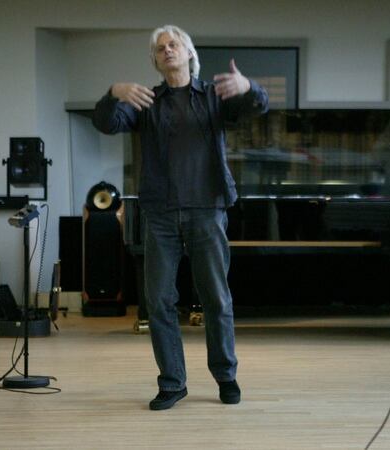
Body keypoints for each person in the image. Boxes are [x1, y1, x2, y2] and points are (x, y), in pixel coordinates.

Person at [92, 24, 268, 410]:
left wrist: (250, 87)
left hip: (207, 210)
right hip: (160, 214)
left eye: (174, 45)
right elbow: (106, 122)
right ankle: (173, 382)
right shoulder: (146, 102)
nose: (167, 50)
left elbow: (258, 106)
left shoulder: (214, 97)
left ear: (189, 53)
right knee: (158, 300)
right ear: (155, 61)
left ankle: (226, 376)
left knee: (216, 298)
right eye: (160, 48)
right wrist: (113, 93)